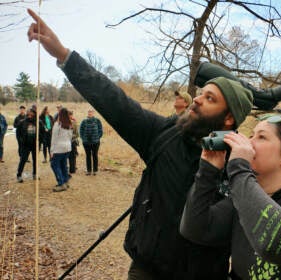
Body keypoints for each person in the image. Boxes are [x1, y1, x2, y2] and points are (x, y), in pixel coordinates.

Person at [27, 9, 254, 279]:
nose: (197, 99)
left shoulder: (241, 164)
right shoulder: (166, 133)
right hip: (147, 269)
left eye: (210, 99)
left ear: (229, 118)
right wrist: (64, 55)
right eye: (201, 93)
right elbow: (115, 102)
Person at [180, 115, 281, 279]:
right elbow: (196, 228)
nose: (248, 142)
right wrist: (208, 171)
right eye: (251, 135)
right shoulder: (244, 200)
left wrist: (239, 168)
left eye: (261, 137)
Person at [16, 108, 44, 182]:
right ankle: (19, 175)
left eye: (31, 114)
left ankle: (35, 174)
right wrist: (21, 141)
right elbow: (18, 134)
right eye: (28, 114)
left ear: (35, 114)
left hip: (35, 145)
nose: (30, 116)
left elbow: (43, 133)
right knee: (23, 160)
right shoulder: (22, 122)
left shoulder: (39, 122)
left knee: (35, 160)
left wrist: (40, 141)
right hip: (25, 145)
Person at [50, 107, 73, 192]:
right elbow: (70, 137)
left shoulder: (58, 124)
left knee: (54, 165)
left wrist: (52, 151)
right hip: (67, 148)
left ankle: (61, 183)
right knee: (63, 165)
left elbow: (54, 138)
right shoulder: (69, 124)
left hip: (59, 148)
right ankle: (66, 181)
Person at [79, 108, 103, 176]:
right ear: (87, 113)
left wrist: (98, 137)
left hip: (95, 142)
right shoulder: (84, 121)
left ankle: (95, 170)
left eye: (91, 112)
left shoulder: (97, 121)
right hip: (86, 142)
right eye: (89, 112)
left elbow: (100, 130)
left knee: (95, 155)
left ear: (93, 113)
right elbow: (81, 130)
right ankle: (89, 170)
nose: (90, 113)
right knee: (88, 156)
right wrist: (83, 138)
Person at [68, 110, 79, 174]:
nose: (70, 116)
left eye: (71, 115)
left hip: (72, 142)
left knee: (73, 156)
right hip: (65, 142)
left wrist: (71, 136)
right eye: (69, 115)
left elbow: (77, 134)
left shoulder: (74, 122)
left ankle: (72, 169)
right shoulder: (63, 122)